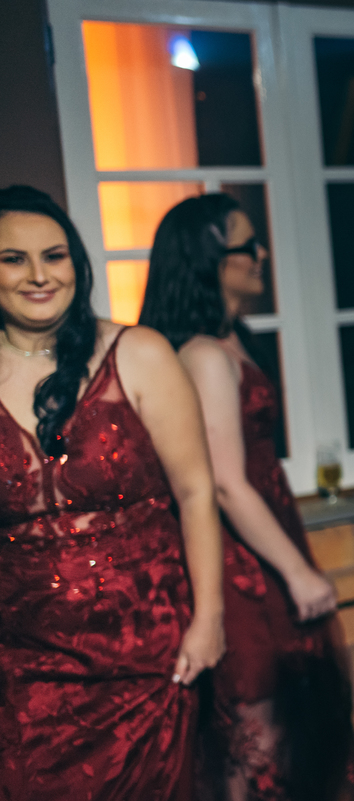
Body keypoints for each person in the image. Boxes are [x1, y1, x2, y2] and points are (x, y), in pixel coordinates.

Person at [0, 185, 224, 800]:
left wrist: (209, 619)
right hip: (26, 668)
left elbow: (199, 492)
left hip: (149, 660)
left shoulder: (140, 353)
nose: (39, 275)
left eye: (54, 255)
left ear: (78, 262)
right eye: (12, 259)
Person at [139, 194, 354, 801]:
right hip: (242, 569)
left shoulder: (236, 341)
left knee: (289, 736)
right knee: (255, 735)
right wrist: (297, 571)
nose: (262, 255)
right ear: (208, 261)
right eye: (246, 246)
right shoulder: (204, 355)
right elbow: (227, 484)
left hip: (264, 549)